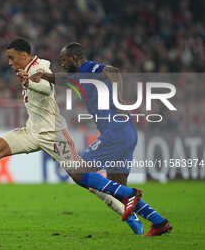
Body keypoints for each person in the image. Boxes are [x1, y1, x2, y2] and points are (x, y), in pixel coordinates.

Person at [0, 38, 138, 234]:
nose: (9, 63)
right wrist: (27, 80)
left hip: (54, 134)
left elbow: (46, 89)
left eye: (12, 58)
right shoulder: (23, 71)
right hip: (32, 131)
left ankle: (129, 214)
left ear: (24, 56)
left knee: (82, 177)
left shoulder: (42, 65)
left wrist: (29, 81)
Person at [22, 42, 172, 236]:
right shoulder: (79, 76)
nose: (61, 62)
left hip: (116, 132)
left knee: (76, 170)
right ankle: (159, 222)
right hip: (126, 133)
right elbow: (63, 79)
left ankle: (132, 195)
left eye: (64, 59)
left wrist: (118, 99)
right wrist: (43, 76)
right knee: (117, 190)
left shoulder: (88, 68)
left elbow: (114, 71)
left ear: (75, 58)